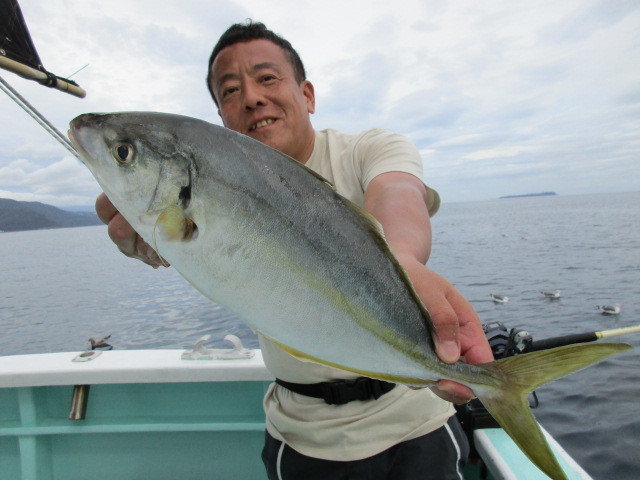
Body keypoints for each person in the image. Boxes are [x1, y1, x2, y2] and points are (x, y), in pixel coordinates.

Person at [96, 21, 493, 480]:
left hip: (416, 420)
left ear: (307, 95)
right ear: (222, 119)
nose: (250, 97)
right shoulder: (214, 188)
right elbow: (197, 249)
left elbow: (399, 193)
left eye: (267, 78)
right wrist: (154, 240)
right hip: (305, 438)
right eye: (229, 92)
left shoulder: (366, 150)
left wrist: (399, 259)